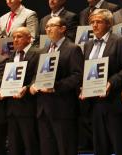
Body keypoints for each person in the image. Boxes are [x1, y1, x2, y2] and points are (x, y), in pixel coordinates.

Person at [30, 17, 83, 155]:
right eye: (46, 26)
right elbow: (36, 74)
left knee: (65, 149)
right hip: (43, 108)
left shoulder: (73, 49)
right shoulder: (43, 50)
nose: (47, 29)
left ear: (62, 28)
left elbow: (77, 76)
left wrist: (56, 87)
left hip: (62, 109)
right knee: (47, 150)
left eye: (51, 26)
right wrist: (32, 85)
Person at [80, 9, 122, 155]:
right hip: (94, 103)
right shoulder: (88, 45)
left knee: (119, 146)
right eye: (92, 22)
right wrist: (84, 86)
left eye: (98, 22)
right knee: (100, 147)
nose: (94, 25)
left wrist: (111, 83)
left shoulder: (120, 41)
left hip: (113, 102)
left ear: (109, 24)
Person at [4, 27, 40, 155]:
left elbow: (39, 75)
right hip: (12, 108)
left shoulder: (39, 52)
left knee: (31, 145)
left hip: (29, 107)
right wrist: (2, 90)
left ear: (29, 38)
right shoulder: (11, 56)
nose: (15, 40)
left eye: (19, 36)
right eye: (13, 37)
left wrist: (29, 86)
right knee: (14, 147)